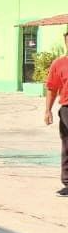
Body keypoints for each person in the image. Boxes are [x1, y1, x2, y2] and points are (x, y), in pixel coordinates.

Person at [44, 28, 68, 197]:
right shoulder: (59, 64)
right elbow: (52, 88)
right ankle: (67, 182)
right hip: (67, 109)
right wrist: (48, 110)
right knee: (67, 146)